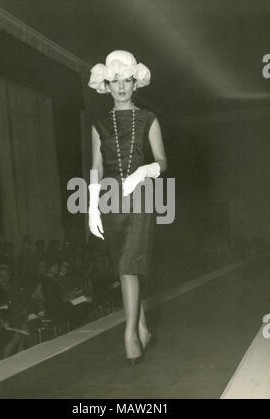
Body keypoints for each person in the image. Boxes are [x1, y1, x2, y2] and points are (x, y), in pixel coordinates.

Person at [88, 50, 167, 365]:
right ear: (105, 85)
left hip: (139, 197)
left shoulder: (149, 119)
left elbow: (162, 162)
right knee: (125, 266)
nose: (121, 86)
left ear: (137, 83)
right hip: (109, 200)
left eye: (127, 80)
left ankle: (130, 335)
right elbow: (95, 166)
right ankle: (144, 329)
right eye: (115, 80)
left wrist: (143, 171)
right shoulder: (98, 124)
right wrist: (93, 207)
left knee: (127, 266)